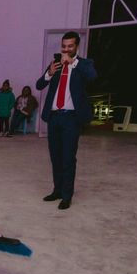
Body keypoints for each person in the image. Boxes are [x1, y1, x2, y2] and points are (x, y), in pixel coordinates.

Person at [36, 31, 97, 210]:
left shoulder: (84, 64)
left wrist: (74, 62)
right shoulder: (55, 63)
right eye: (64, 46)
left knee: (68, 158)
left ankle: (67, 195)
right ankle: (57, 190)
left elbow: (92, 77)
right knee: (55, 157)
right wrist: (49, 73)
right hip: (54, 117)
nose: (66, 49)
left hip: (71, 118)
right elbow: (39, 85)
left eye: (70, 46)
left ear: (76, 46)